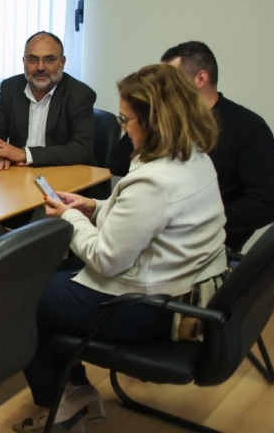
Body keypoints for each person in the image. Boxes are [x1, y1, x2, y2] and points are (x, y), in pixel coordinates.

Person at [13, 64, 227, 433]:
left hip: (150, 306)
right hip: (183, 291)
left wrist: (68, 217)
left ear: (154, 120)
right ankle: (72, 388)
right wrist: (92, 207)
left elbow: (105, 258)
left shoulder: (156, 181)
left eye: (126, 120)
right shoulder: (193, 157)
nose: (123, 129)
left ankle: (61, 402)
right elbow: (144, 219)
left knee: (19, 298)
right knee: (36, 280)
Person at [110, 41, 274, 253]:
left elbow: (268, 202)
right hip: (152, 231)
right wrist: (142, 118)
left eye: (172, 79)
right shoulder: (163, 123)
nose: (164, 87)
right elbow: (117, 164)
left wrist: (196, 222)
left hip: (204, 243)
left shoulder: (247, 127)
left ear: (200, 78)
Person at [0, 31, 96, 170]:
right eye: (32, 59)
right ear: (24, 62)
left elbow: (81, 149)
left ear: (62, 62)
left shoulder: (80, 94)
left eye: (49, 59)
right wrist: (0, 154)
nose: (40, 67)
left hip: (62, 174)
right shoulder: (11, 88)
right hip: (19, 174)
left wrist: (24, 154)